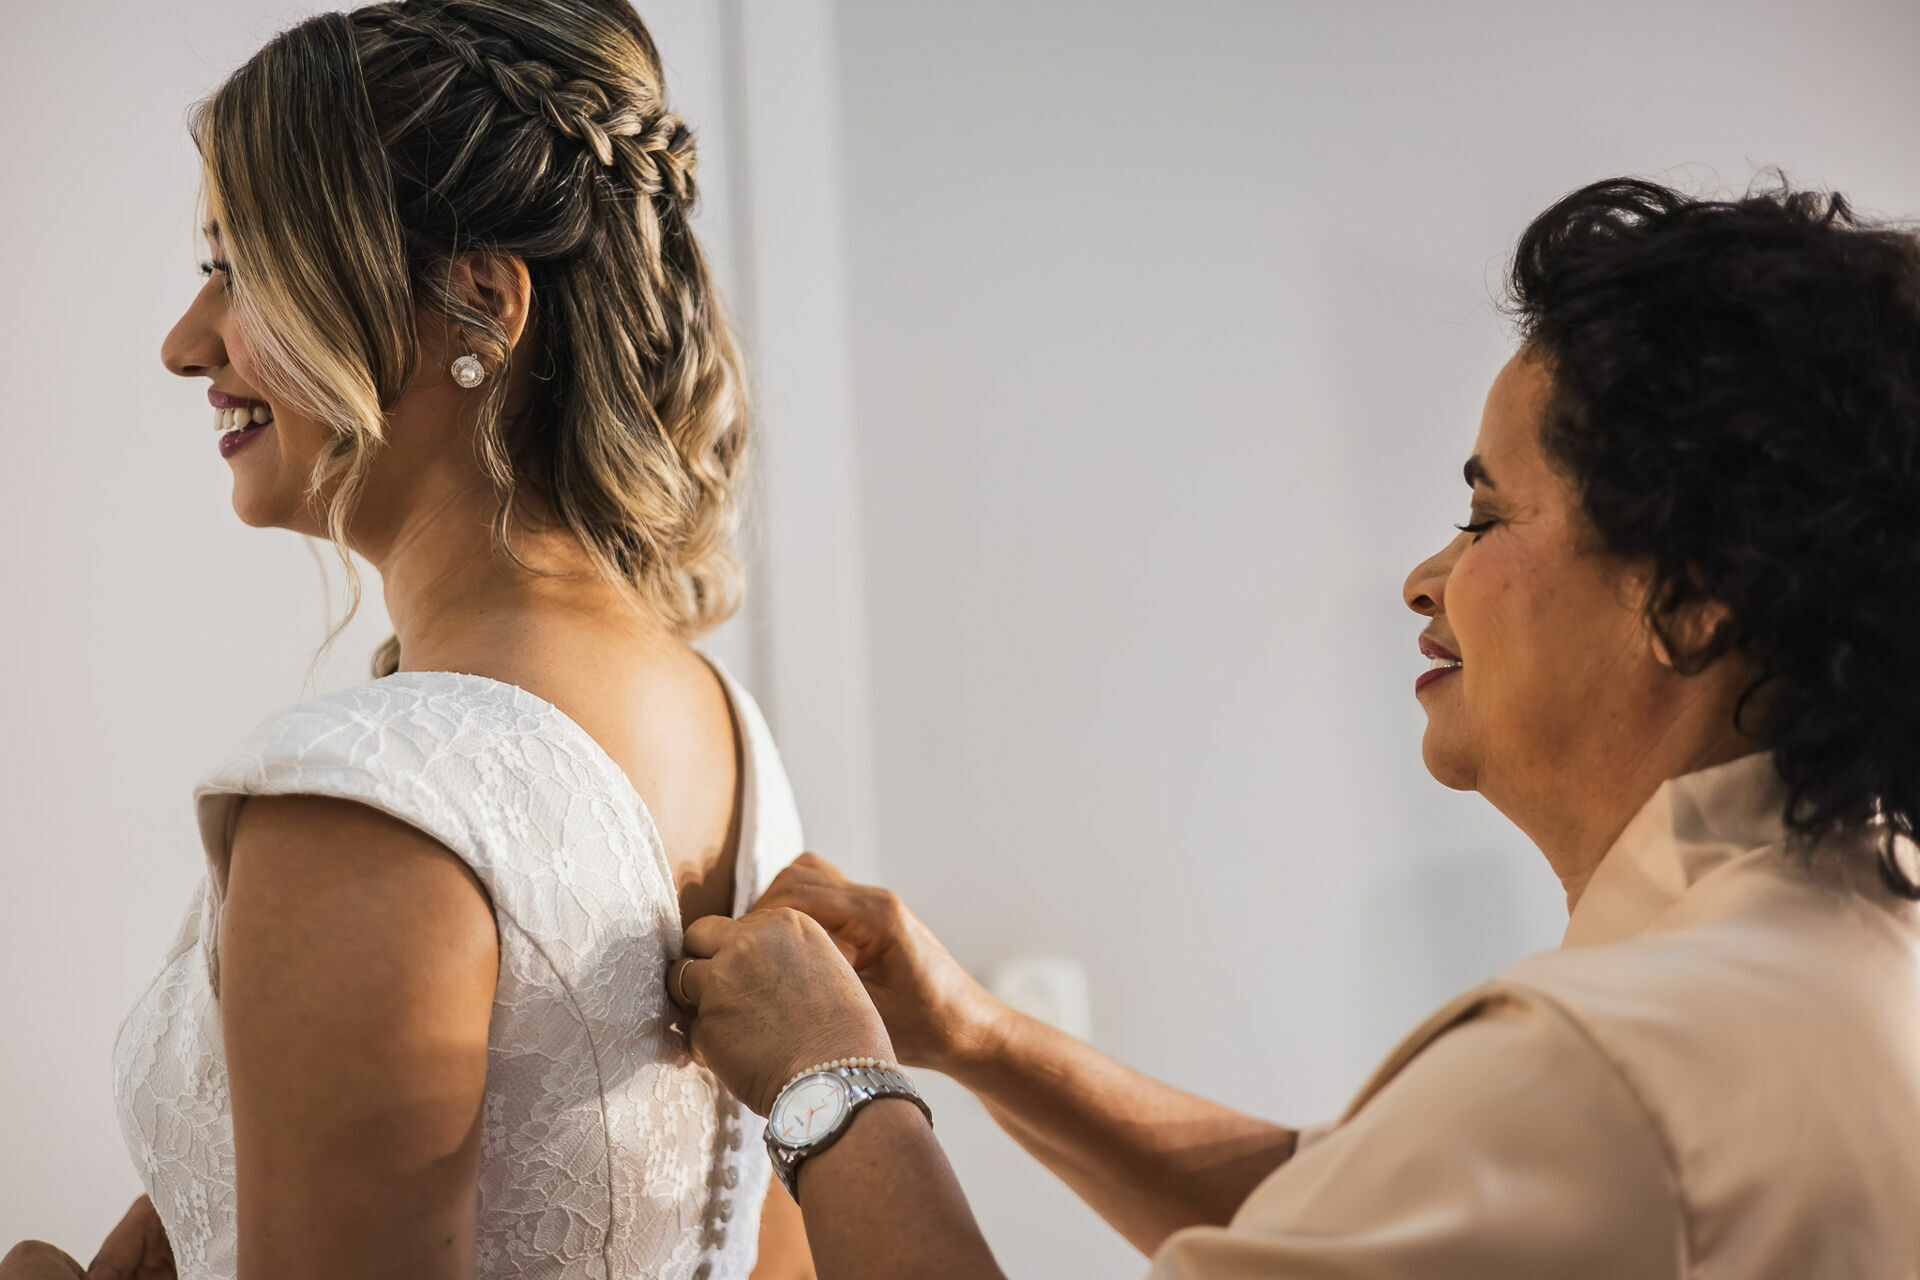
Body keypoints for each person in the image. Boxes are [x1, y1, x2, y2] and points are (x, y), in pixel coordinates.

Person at [669, 177, 1920, 1279]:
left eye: (1487, 519)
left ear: (1694, 599)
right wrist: (978, 1035)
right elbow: (1338, 1214)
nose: (1428, 578)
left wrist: (834, 1088)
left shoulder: (1611, 1072)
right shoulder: (1852, 927)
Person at [1, 2, 812, 1278]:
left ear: (480, 306)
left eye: (240, 267)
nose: (185, 344)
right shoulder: (724, 731)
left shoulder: (371, 799)